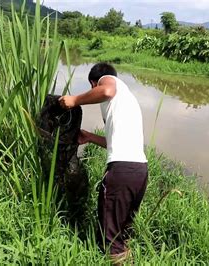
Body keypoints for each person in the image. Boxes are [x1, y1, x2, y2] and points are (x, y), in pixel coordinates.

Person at [59, 63, 148, 263]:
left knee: (110, 237)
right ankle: (127, 259)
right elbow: (114, 142)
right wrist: (90, 137)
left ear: (93, 83)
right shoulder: (126, 102)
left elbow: (106, 90)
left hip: (122, 172)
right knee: (122, 231)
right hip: (140, 171)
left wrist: (74, 100)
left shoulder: (109, 82)